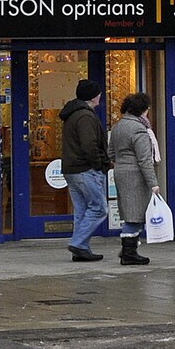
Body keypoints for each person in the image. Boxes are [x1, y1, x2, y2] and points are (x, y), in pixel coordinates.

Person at [59, 78, 110, 263]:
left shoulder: (72, 114)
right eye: (99, 94)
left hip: (72, 169)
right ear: (94, 96)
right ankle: (79, 243)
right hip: (85, 169)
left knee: (81, 211)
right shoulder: (86, 116)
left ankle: (82, 250)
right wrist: (98, 163)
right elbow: (89, 144)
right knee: (99, 208)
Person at [108, 92, 159, 267]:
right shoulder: (138, 129)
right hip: (135, 175)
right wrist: (153, 183)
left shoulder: (118, 126)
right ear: (143, 110)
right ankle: (129, 253)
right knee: (134, 215)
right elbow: (144, 159)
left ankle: (128, 250)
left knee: (129, 212)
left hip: (120, 171)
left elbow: (111, 153)